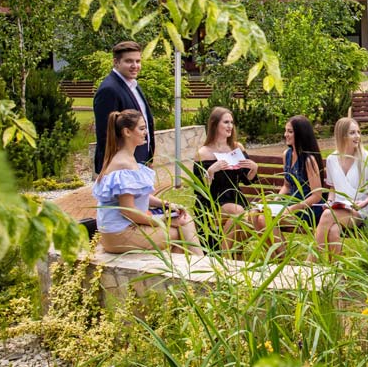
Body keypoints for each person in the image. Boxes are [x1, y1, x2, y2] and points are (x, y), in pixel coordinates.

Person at [93, 109, 203, 256]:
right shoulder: (123, 164)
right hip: (120, 234)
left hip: (120, 230)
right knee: (182, 230)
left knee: (183, 220)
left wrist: (166, 205)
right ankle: (202, 267)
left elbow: (139, 195)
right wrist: (161, 221)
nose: (146, 132)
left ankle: (193, 269)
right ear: (127, 132)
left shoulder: (126, 159)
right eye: (142, 128)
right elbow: (128, 211)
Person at [193, 107, 263, 251]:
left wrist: (254, 168)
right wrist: (211, 171)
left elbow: (247, 180)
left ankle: (226, 251)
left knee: (249, 218)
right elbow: (200, 189)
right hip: (212, 200)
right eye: (226, 122)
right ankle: (226, 253)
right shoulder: (203, 153)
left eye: (231, 122)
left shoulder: (236, 147)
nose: (230, 126)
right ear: (214, 124)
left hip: (235, 196)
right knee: (239, 214)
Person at [314, 117, 368, 257]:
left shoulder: (366, 157)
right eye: (352, 133)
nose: (357, 136)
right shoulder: (332, 159)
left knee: (327, 215)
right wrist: (329, 202)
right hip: (338, 208)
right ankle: (337, 273)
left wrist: (362, 203)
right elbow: (332, 190)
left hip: (359, 211)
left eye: (358, 132)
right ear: (342, 135)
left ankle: (310, 262)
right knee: (333, 230)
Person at [93, 41, 154, 175]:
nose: (135, 66)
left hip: (139, 158)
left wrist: (149, 155)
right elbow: (105, 133)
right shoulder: (109, 90)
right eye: (129, 61)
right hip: (122, 167)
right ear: (116, 62)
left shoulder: (133, 85)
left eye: (138, 61)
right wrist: (112, 168)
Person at [275, 115, 325, 231]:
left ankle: (280, 249)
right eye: (285, 131)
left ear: (300, 134)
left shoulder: (308, 160)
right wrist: (275, 200)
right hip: (290, 204)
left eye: (290, 131)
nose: (285, 135)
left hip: (307, 209)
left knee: (266, 220)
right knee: (257, 217)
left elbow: (317, 196)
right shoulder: (287, 154)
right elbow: (287, 185)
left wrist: (293, 208)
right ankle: (280, 249)